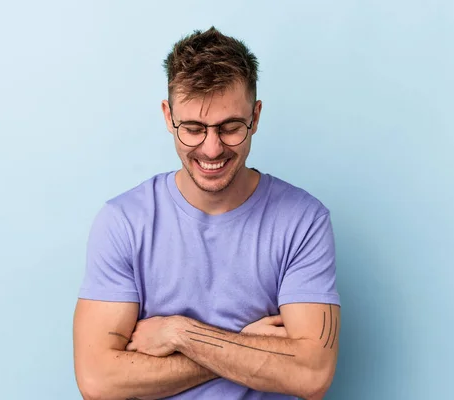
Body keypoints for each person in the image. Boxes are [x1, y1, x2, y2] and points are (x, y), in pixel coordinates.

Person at [73, 27, 341, 400]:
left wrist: (180, 334)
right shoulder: (123, 222)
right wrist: (246, 346)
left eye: (231, 127)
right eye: (194, 129)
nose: (212, 149)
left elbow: (311, 374)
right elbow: (99, 381)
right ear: (168, 116)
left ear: (256, 115)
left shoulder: (303, 221)